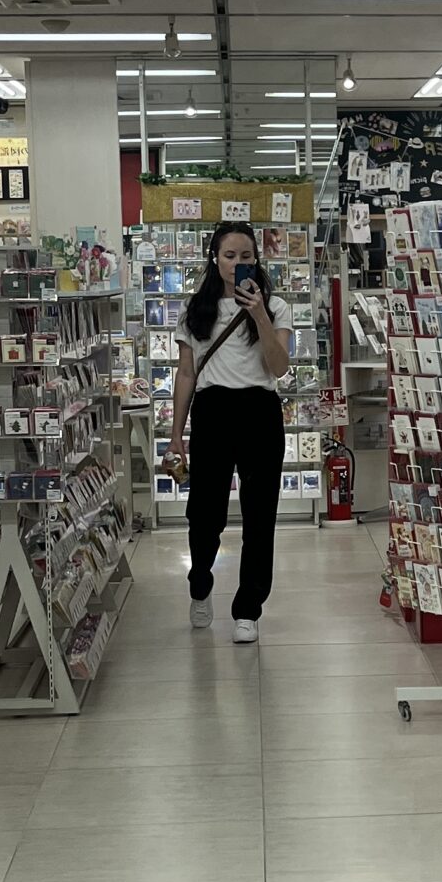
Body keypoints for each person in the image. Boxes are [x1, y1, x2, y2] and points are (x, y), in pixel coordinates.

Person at [163, 222, 293, 642]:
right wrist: (176, 433)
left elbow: (279, 367)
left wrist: (259, 314)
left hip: (260, 412)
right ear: (214, 259)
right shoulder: (195, 310)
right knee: (205, 513)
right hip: (212, 411)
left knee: (260, 515)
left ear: (257, 259)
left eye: (246, 256)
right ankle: (200, 583)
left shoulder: (276, 306)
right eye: (230, 256)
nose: (238, 263)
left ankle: (248, 610)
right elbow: (186, 373)